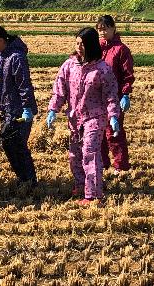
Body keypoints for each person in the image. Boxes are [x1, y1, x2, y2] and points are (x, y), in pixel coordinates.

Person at [46, 27, 120, 205]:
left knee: (90, 152)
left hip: (95, 117)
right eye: (77, 43)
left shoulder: (102, 69)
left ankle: (93, 195)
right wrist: (53, 110)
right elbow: (60, 90)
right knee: (75, 155)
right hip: (74, 117)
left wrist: (113, 116)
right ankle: (80, 184)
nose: (79, 47)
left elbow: (111, 95)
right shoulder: (69, 65)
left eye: (83, 44)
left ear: (91, 45)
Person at [0, 25, 38, 194]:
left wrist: (27, 108)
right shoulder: (1, 56)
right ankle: (22, 178)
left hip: (19, 110)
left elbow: (24, 85)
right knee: (8, 145)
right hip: (6, 108)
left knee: (19, 145)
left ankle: (30, 180)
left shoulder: (17, 57)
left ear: (1, 40)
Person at [96, 15, 134, 175]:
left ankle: (121, 165)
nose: (102, 32)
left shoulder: (121, 50)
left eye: (105, 28)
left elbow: (127, 75)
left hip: (114, 98)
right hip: (97, 98)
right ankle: (102, 163)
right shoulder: (97, 47)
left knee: (114, 133)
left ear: (113, 28)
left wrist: (125, 94)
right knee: (98, 133)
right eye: (99, 29)